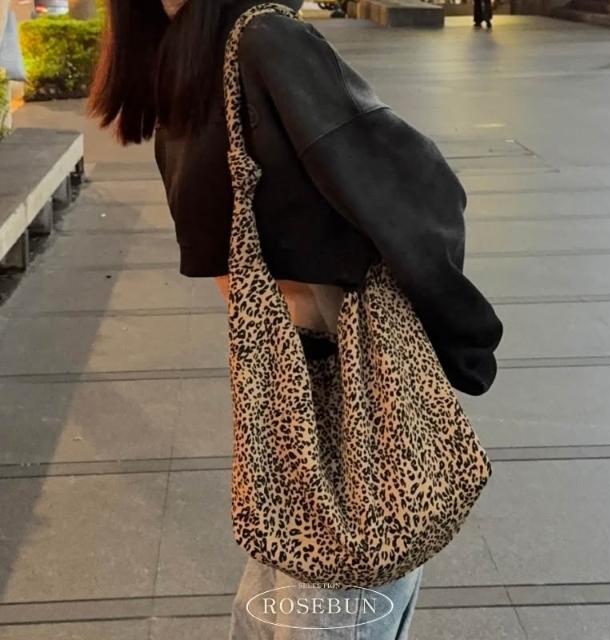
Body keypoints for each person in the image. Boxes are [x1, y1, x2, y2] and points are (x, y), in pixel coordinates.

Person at [89, 0, 503, 637]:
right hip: (285, 421)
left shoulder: (263, 41)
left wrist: (460, 336)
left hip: (354, 421)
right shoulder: (187, 55)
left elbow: (415, 187)